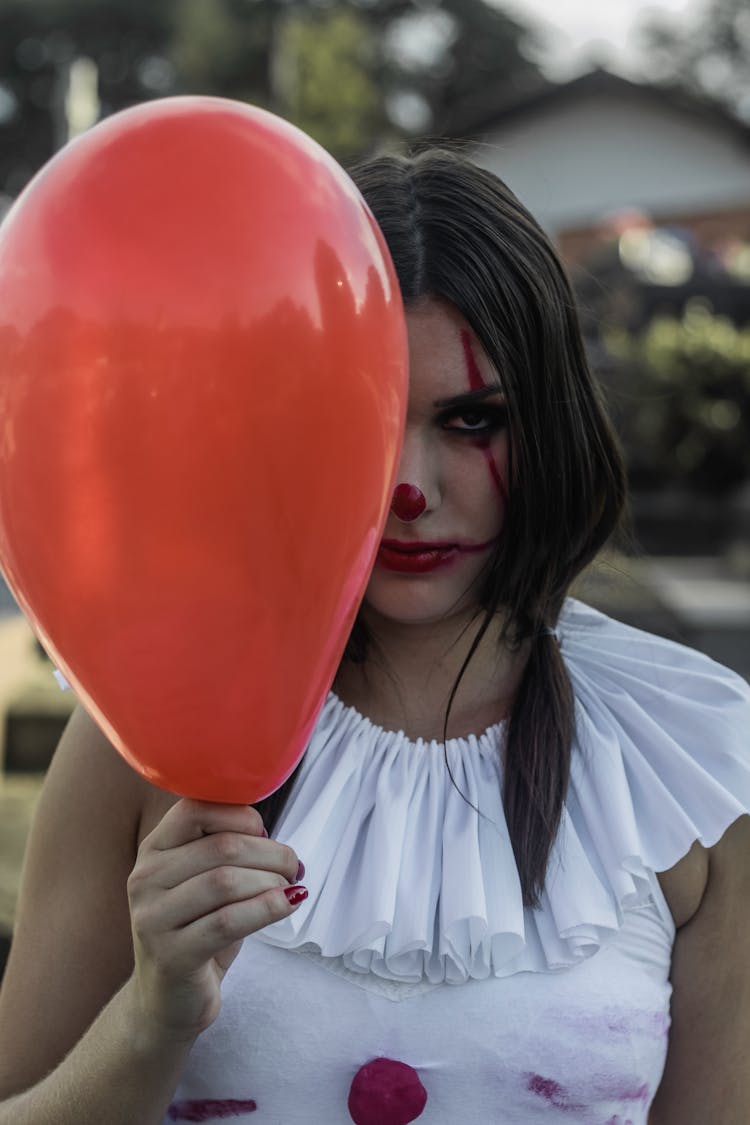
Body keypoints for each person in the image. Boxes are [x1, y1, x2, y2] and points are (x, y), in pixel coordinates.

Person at [0, 147, 748, 1125]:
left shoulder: (695, 764)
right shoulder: (145, 742)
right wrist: (152, 1017)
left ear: (553, 421)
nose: (412, 489)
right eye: (362, 413)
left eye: (473, 418)